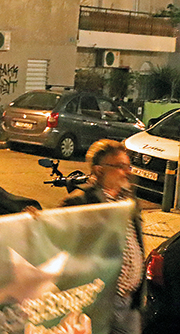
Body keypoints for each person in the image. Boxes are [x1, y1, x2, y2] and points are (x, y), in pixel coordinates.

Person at [61, 139, 143, 334]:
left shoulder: (128, 200)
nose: (127, 172)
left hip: (130, 301)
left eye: (128, 166)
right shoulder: (82, 204)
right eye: (120, 166)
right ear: (99, 170)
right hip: (100, 302)